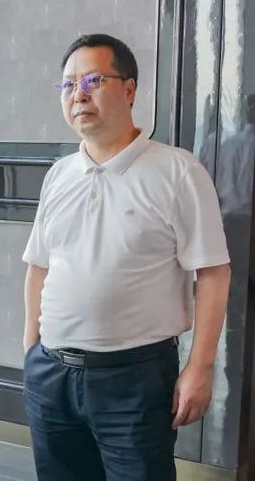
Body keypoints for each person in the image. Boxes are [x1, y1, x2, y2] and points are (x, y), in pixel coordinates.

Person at [22, 34, 231, 481]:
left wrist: (200, 367)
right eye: (68, 84)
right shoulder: (59, 174)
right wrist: (31, 349)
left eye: (93, 80)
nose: (79, 94)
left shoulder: (177, 171)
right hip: (51, 375)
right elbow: (39, 266)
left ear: (130, 89)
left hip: (134, 379)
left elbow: (214, 273)